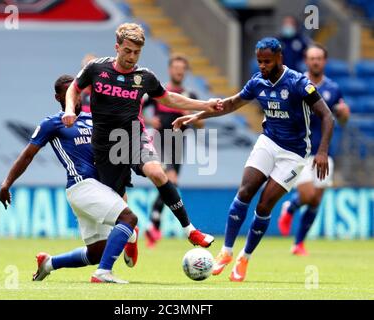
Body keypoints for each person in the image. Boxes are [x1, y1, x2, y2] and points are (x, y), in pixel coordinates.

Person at [172, 37, 334, 282]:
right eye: (259, 61)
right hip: (268, 142)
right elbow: (229, 105)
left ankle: (244, 258)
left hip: (294, 153)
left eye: (267, 61)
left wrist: (321, 152)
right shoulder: (257, 82)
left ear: (280, 58)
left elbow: (327, 116)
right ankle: (226, 252)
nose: (262, 66)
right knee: (245, 191)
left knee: (264, 205)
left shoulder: (299, 83)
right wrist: (193, 117)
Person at [63, 23, 220, 248]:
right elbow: (74, 89)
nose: (132, 57)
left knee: (157, 171)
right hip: (105, 146)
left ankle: (190, 230)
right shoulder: (96, 69)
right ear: (117, 47)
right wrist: (70, 109)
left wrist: (205, 105)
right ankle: (133, 236)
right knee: (120, 206)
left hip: (134, 137)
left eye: (137, 52)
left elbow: (170, 99)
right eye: (127, 51)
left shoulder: (144, 77)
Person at [0, 75, 139, 284]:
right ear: (58, 97)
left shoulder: (95, 119)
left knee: (96, 253)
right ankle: (104, 272)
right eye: (69, 92)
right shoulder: (53, 123)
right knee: (128, 219)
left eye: (77, 90)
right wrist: (6, 183)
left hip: (100, 188)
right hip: (82, 186)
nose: (76, 96)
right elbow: (27, 155)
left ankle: (49, 263)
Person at [278, 44, 350, 255]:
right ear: (306, 61)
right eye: (312, 58)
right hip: (301, 150)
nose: (315, 61)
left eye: (319, 58)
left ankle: (298, 243)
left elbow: (342, 120)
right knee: (308, 195)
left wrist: (344, 113)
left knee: (316, 199)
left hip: (324, 151)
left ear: (324, 61)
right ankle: (290, 207)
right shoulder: (296, 84)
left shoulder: (333, 89)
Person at [142, 53, 204, 248]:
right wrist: (150, 121)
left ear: (185, 72)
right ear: (170, 70)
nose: (179, 71)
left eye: (182, 68)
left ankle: (154, 223)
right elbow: (138, 110)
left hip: (178, 144)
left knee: (170, 183)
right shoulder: (160, 92)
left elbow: (201, 124)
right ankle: (154, 225)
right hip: (160, 141)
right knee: (170, 180)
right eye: (176, 68)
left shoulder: (190, 96)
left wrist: (190, 115)